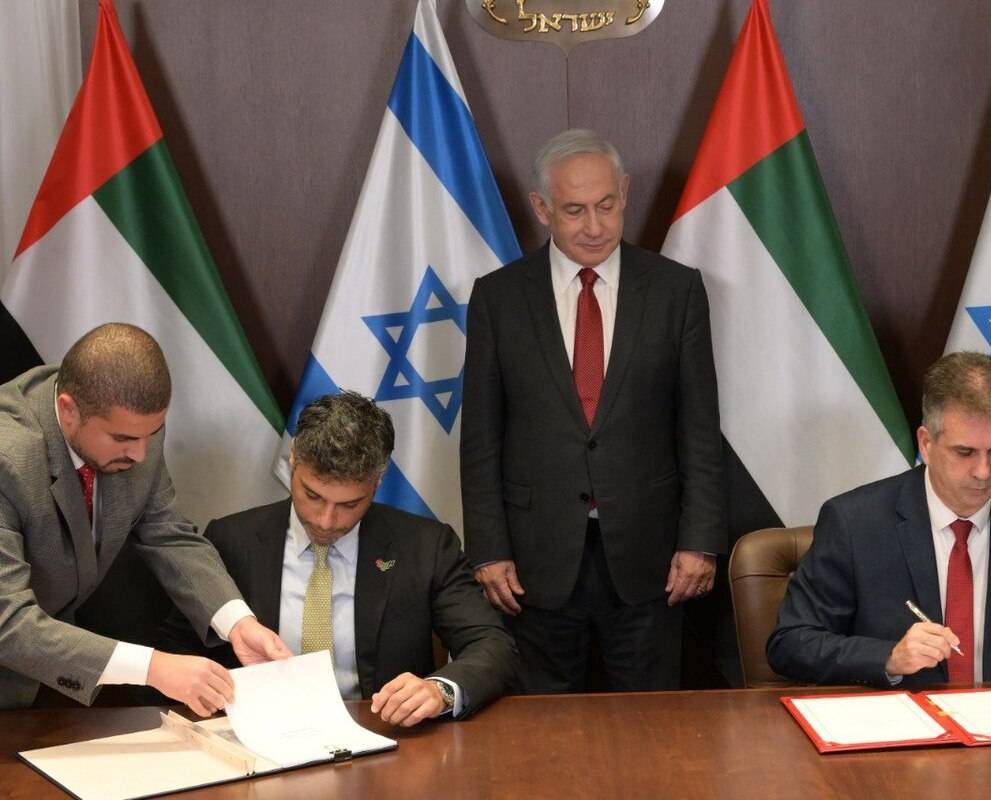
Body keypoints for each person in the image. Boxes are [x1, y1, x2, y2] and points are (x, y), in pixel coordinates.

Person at [460, 129, 725, 692]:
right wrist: (488, 549)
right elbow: (481, 437)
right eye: (575, 210)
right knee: (544, 737)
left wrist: (698, 539)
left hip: (652, 559)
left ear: (625, 192)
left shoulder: (675, 291)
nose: (595, 225)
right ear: (542, 208)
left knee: (651, 731)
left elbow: (699, 428)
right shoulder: (499, 297)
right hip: (535, 562)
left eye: (606, 205)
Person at [160, 391, 518, 726]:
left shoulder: (425, 546)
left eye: (349, 504)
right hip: (259, 738)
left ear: (377, 481)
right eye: (312, 495)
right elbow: (175, 651)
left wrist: (438, 690)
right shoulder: (231, 540)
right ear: (293, 458)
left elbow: (493, 646)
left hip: (382, 738)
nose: (325, 520)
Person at [0, 323, 289, 715]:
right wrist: (154, 668)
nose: (139, 454)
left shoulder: (136, 430)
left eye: (150, 435)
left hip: (43, 685)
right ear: (68, 409)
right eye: (122, 439)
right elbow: (8, 622)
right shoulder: (7, 457)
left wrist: (237, 624)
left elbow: (167, 532)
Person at [767, 352, 991, 687]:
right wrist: (889, 657)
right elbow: (789, 643)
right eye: (964, 452)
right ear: (927, 443)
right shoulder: (855, 523)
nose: (984, 472)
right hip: (894, 727)